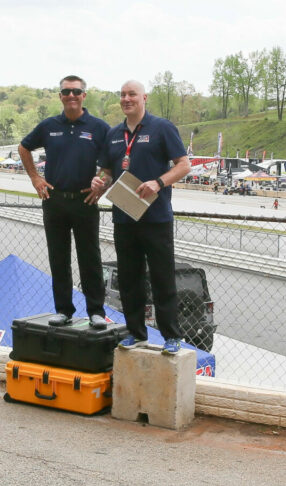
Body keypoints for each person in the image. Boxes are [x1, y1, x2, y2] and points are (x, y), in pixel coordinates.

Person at [89, 80, 190, 355]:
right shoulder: (113, 134)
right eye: (122, 95)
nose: (126, 99)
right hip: (124, 217)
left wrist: (158, 182)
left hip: (156, 218)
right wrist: (99, 182)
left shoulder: (162, 128)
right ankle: (136, 333)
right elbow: (107, 172)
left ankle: (171, 335)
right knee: (130, 279)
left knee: (162, 277)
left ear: (144, 97)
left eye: (132, 94)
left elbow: (184, 165)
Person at [18, 75, 109, 329]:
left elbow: (111, 161)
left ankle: (96, 312)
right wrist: (36, 177)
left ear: (84, 96)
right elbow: (23, 148)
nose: (71, 96)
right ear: (60, 96)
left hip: (85, 202)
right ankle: (63, 310)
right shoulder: (48, 126)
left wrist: (101, 183)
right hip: (54, 200)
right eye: (66, 92)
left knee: (89, 258)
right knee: (58, 258)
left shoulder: (98, 127)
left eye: (76, 92)